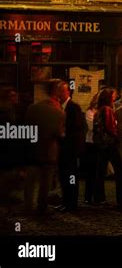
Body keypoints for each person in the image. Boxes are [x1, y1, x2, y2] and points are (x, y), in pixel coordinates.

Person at [24, 79, 65, 214]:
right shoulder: (59, 113)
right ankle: (42, 206)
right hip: (48, 151)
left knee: (30, 181)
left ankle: (28, 206)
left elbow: (26, 128)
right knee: (45, 182)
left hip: (32, 150)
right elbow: (60, 134)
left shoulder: (32, 109)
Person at [57, 81, 86, 212]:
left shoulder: (73, 107)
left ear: (68, 92)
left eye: (62, 90)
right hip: (63, 148)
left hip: (70, 148)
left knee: (71, 176)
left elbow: (77, 128)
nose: (59, 93)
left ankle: (71, 203)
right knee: (64, 176)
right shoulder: (60, 106)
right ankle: (65, 201)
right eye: (58, 90)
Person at [93, 88, 122, 207]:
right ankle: (121, 199)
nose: (115, 97)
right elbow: (110, 127)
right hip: (109, 143)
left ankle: (99, 198)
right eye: (113, 95)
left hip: (101, 143)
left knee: (100, 171)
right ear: (109, 97)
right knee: (119, 170)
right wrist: (116, 135)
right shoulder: (108, 109)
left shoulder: (99, 110)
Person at [82, 93, 99, 204]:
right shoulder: (89, 112)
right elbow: (92, 127)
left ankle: (96, 195)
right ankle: (88, 196)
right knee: (91, 171)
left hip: (97, 143)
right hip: (91, 143)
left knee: (96, 171)